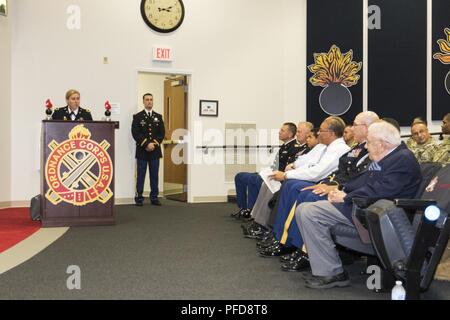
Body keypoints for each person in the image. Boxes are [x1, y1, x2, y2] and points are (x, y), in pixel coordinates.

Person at [296, 121, 421, 289]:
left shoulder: (402, 159)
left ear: (383, 144)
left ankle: (332, 272)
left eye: (369, 142)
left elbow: (382, 190)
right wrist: (340, 189)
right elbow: (363, 182)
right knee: (305, 209)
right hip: (367, 208)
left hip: (378, 216)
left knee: (310, 212)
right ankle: (329, 270)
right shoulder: (389, 156)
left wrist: (346, 197)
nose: (366, 147)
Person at [259, 112, 378, 259]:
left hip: (341, 191)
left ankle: (299, 247)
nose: (318, 133)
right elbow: (319, 166)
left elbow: (321, 172)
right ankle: (282, 237)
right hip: (333, 184)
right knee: (292, 186)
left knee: (302, 191)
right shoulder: (353, 148)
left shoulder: (345, 149)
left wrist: (335, 187)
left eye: (354, 125)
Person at [244, 117, 350, 241]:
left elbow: (317, 172)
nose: (318, 133)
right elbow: (307, 162)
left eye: (321, 130)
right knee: (287, 184)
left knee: (292, 186)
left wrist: (286, 175)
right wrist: (291, 170)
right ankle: (274, 231)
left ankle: (284, 237)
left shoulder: (339, 149)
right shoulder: (325, 147)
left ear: (331, 133)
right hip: (312, 179)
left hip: (321, 182)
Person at [232, 122, 308, 219]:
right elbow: (275, 165)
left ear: (289, 134)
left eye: (282, 130)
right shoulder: (284, 146)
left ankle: (252, 210)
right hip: (273, 172)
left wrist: (270, 173)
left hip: (279, 176)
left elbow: (285, 168)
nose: (279, 132)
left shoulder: (294, 147)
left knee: (255, 179)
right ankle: (243, 207)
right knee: (239, 176)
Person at [132, 93, 165, 206]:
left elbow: (162, 133)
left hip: (155, 151)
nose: (149, 102)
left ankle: (154, 197)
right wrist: (146, 144)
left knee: (154, 175)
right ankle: (139, 197)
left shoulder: (158, 117)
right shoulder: (137, 117)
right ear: (143, 102)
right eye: (147, 100)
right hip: (142, 150)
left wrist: (154, 144)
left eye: (151, 99)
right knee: (141, 174)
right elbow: (135, 133)